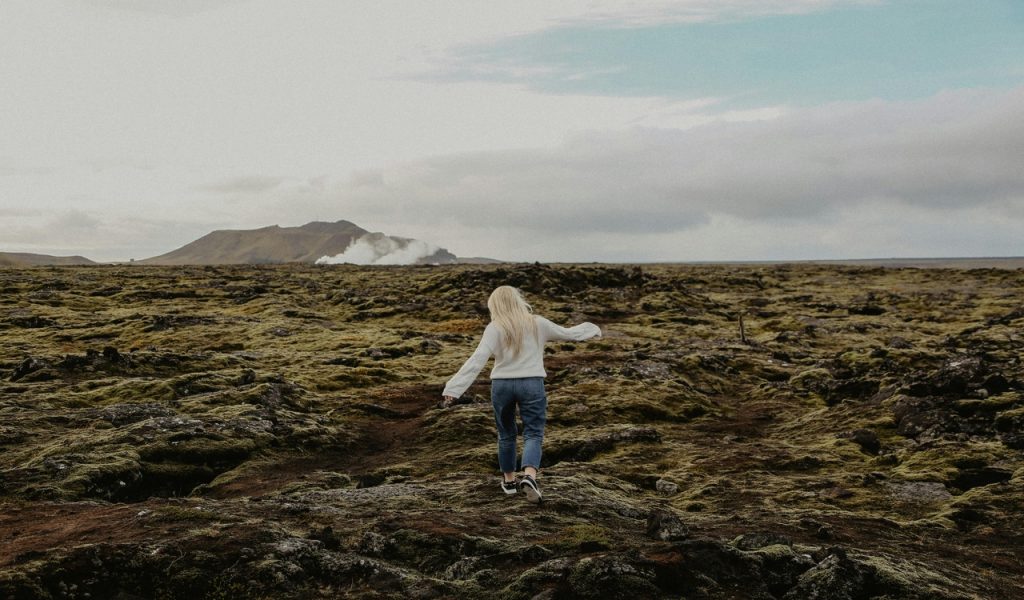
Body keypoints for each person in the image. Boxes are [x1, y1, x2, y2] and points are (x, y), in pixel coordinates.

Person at [442, 285, 602, 503]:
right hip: (532, 384)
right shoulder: (538, 323)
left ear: (495, 306)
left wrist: (453, 389)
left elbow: (477, 359)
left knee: (506, 433)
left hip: (502, 386)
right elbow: (569, 334)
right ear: (518, 301)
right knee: (533, 433)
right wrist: (592, 329)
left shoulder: (494, 328)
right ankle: (529, 477)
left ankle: (509, 482)